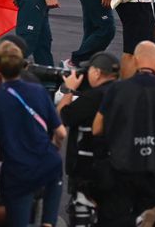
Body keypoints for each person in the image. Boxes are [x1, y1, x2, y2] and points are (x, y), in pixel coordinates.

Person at [92, 41, 155, 227]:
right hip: (152, 171)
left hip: (121, 169)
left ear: (134, 61)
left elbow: (97, 128)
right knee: (148, 213)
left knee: (113, 217)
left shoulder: (117, 90)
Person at [0, 41, 67, 227]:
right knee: (48, 221)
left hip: (18, 170)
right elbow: (60, 132)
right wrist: (51, 150)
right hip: (50, 165)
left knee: (19, 219)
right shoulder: (38, 90)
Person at [57, 52, 120, 225]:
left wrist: (68, 90)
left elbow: (62, 117)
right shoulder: (123, 93)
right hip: (117, 168)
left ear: (97, 72)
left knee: (83, 216)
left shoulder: (94, 97)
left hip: (88, 170)